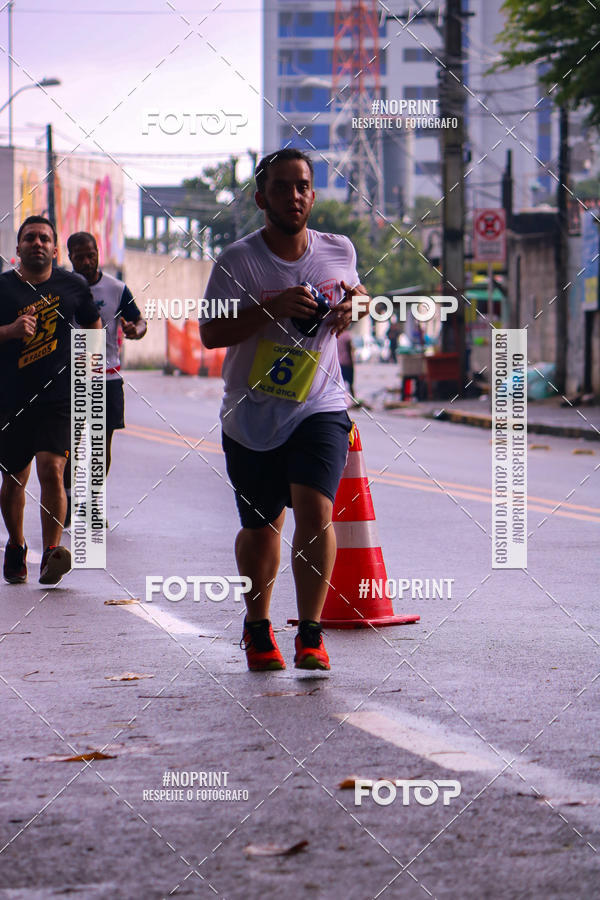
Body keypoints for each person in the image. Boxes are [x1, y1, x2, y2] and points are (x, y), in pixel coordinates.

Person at [200, 148, 371, 672]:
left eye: (302, 186)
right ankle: (258, 626)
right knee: (262, 528)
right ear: (261, 198)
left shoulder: (338, 249)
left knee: (316, 512)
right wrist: (272, 308)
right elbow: (211, 333)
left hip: (320, 405)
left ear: (313, 196)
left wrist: (357, 305)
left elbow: (360, 294)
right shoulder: (238, 261)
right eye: (281, 187)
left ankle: (311, 634)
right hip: (251, 414)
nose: (293, 196)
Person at [0, 216, 101, 585]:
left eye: (44, 238)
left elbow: (93, 324)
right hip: (10, 398)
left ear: (55, 249)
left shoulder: (72, 286)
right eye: (30, 238)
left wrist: (89, 364)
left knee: (52, 469)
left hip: (58, 398)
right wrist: (10, 331)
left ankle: (51, 554)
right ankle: (17, 545)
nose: (37, 243)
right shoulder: (3, 287)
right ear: (18, 248)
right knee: (14, 478)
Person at [64, 232, 146, 526]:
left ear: (98, 253)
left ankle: (91, 503)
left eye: (91, 255)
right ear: (70, 257)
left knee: (100, 446)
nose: (87, 262)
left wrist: (136, 330)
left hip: (107, 377)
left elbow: (139, 320)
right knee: (69, 445)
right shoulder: (61, 287)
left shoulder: (116, 288)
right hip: (70, 378)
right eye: (80, 257)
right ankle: (68, 501)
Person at [337, 327, 355, 401]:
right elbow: (350, 350)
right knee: (350, 384)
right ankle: (354, 400)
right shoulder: (347, 335)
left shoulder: (337, 334)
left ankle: (340, 400)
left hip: (339, 363)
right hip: (347, 363)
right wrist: (352, 363)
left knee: (340, 384)